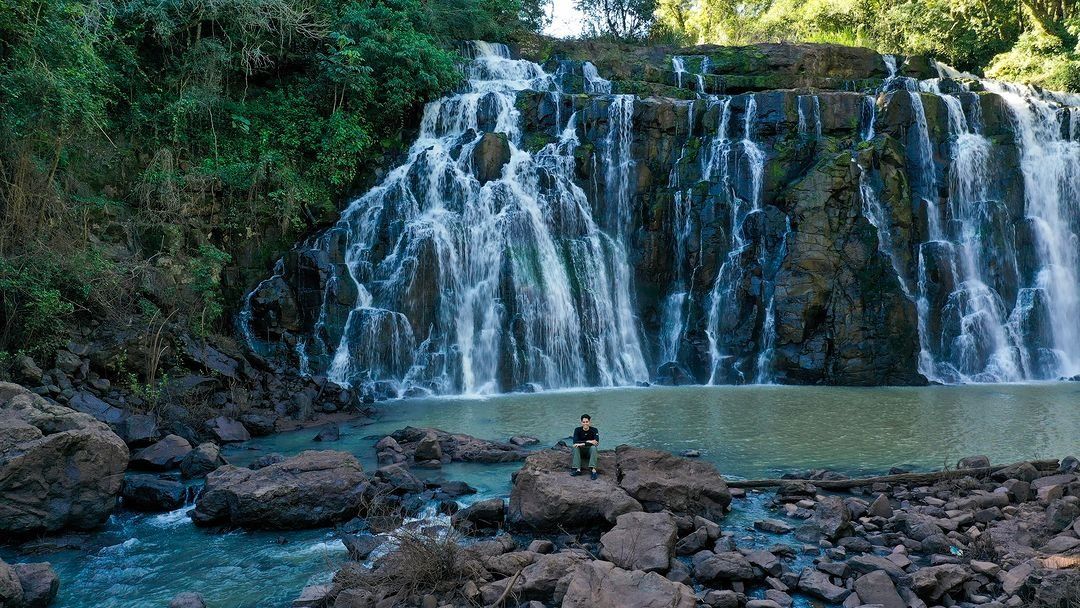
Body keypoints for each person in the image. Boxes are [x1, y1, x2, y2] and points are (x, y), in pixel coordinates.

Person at [571, 414, 599, 480]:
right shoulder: (577, 430)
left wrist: (581, 443)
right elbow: (575, 442)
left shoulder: (594, 430)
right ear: (581, 422)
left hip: (590, 452)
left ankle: (593, 470)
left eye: (587, 422)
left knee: (594, 447)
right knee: (575, 447)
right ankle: (578, 470)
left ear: (589, 422)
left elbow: (596, 443)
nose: (585, 423)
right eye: (584, 422)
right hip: (580, 452)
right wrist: (589, 441)